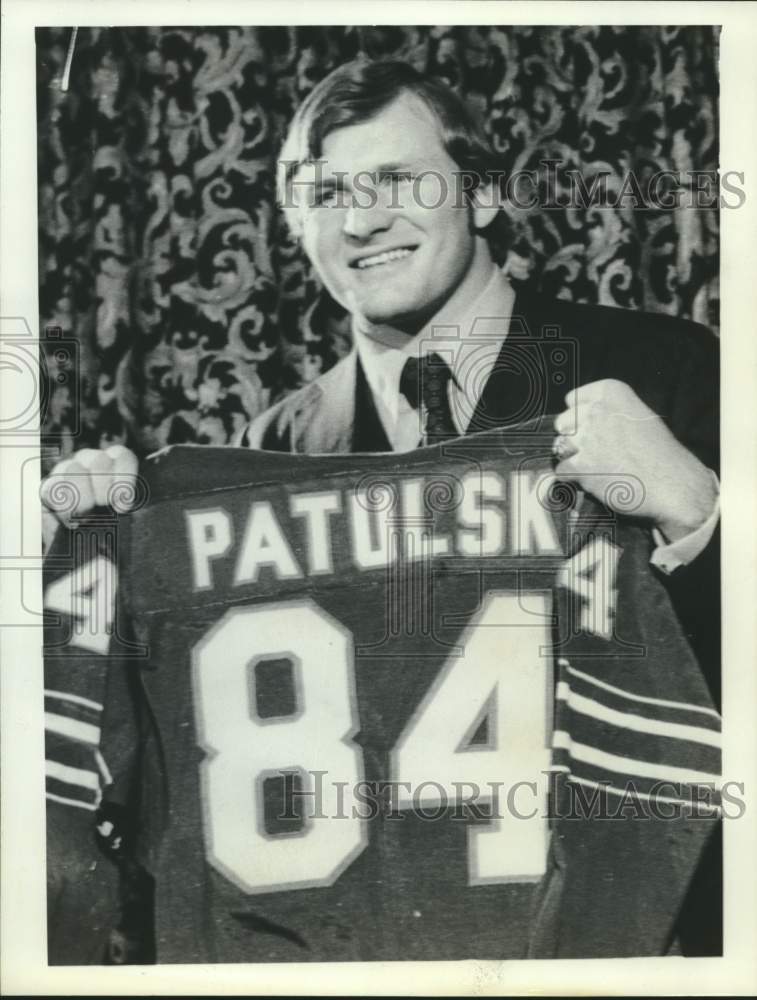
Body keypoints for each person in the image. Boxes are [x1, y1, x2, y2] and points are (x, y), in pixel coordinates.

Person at [41, 57, 721, 953]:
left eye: (397, 179)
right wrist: (84, 556)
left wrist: (697, 513)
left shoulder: (668, 368)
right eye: (325, 195)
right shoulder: (276, 442)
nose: (361, 220)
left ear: (480, 197)